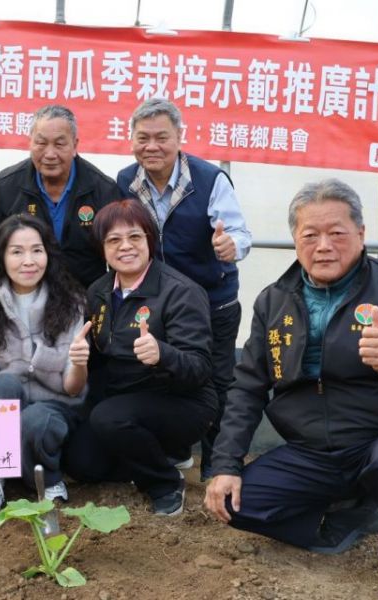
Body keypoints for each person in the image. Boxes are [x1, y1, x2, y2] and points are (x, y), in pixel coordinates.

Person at [203, 179, 378, 600]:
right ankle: (349, 516)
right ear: (295, 241)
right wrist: (226, 463)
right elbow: (247, 387)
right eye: (310, 235)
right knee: (230, 503)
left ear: (361, 234)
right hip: (312, 453)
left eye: (337, 233)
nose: (323, 246)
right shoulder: (274, 300)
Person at [117, 97, 252, 480]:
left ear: (180, 137)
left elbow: (239, 233)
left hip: (214, 301)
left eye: (162, 137)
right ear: (131, 140)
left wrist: (231, 247)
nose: (152, 146)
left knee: (219, 380)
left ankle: (218, 465)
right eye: (143, 137)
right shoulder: (126, 180)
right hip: (161, 304)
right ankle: (176, 453)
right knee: (167, 374)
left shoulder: (210, 179)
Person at [63, 200, 218, 517]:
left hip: (180, 399)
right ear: (102, 248)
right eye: (113, 240)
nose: (125, 247)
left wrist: (163, 353)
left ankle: (165, 483)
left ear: (150, 239)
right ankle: (155, 454)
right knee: (82, 464)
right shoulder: (99, 291)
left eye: (135, 237)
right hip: (125, 397)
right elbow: (99, 356)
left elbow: (200, 369)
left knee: (109, 418)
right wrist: (78, 359)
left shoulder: (181, 291)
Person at [0, 214, 90, 509]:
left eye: (37, 250)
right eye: (17, 251)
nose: (29, 261)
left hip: (55, 405)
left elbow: (72, 389)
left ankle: (47, 478)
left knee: (37, 421)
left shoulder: (72, 302)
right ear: (1, 257)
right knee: (5, 382)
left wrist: (80, 362)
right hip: (7, 398)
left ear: (48, 254)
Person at [0, 104, 119, 288]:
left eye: (59, 144)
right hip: (21, 297)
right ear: (30, 143)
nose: (50, 154)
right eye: (41, 143)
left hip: (84, 299)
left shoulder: (102, 189)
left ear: (75, 145)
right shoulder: (6, 185)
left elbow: (117, 255)